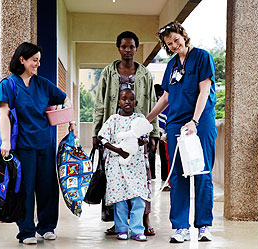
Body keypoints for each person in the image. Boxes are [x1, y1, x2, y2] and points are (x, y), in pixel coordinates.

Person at [0, 42, 75, 244]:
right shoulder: (9, 85)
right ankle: (26, 231)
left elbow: (64, 98)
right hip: (23, 146)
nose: (38, 64)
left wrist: (70, 119)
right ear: (22, 60)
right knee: (24, 188)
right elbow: (3, 114)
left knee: (48, 186)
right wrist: (5, 141)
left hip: (45, 144)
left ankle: (47, 226)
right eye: (34, 60)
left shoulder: (42, 84)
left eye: (39, 60)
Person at [146, 21, 217, 243]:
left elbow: (204, 89)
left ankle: (204, 225)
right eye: (170, 44)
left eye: (176, 40)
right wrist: (147, 120)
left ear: (183, 36)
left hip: (201, 121)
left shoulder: (202, 57)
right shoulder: (171, 65)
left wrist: (195, 121)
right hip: (176, 124)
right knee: (177, 175)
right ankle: (180, 227)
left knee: (202, 172)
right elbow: (166, 97)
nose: (175, 45)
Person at [92, 31, 159, 236]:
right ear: (118, 48)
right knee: (114, 180)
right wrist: (96, 133)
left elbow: (152, 103)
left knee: (142, 179)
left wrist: (154, 133)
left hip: (139, 137)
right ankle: (117, 222)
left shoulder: (145, 74)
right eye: (124, 46)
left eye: (131, 47)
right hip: (113, 135)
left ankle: (144, 219)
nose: (127, 50)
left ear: (136, 49)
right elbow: (100, 103)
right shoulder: (108, 72)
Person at [98, 88, 149, 241]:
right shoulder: (113, 120)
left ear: (136, 102)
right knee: (119, 199)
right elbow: (102, 138)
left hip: (136, 164)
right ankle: (121, 229)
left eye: (131, 99)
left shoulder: (139, 118)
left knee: (138, 197)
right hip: (116, 164)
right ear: (119, 102)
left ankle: (137, 230)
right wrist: (119, 151)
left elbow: (144, 137)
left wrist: (141, 141)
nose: (128, 102)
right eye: (124, 99)